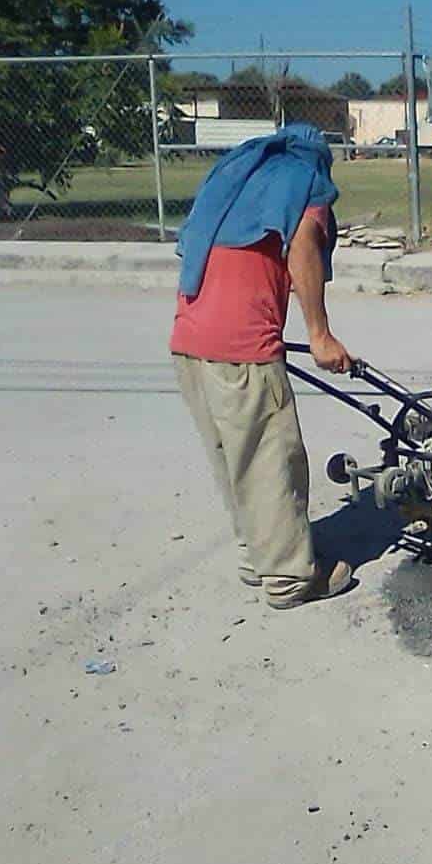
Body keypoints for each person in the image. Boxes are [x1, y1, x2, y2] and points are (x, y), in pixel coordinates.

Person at [170, 123, 355, 610]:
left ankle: (260, 556)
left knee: (236, 457)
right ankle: (291, 578)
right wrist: (319, 333)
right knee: (273, 460)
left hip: (189, 342)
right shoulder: (302, 179)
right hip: (242, 349)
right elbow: (303, 242)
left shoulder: (235, 181)